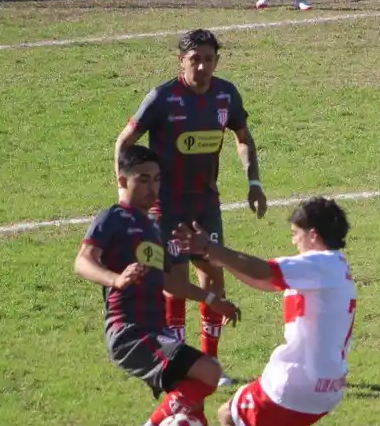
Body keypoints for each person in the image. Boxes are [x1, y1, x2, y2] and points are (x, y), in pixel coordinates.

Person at [172, 198, 356, 426]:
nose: (294, 240)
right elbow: (265, 281)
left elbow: (263, 270)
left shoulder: (318, 263)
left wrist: (213, 250)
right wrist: (219, 258)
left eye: (296, 233)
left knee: (229, 416)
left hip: (301, 385)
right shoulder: (332, 266)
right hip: (326, 384)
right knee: (250, 420)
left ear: (313, 235)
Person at [74, 145, 242, 426]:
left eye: (157, 180)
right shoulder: (113, 218)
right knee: (209, 372)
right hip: (130, 332)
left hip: (154, 329)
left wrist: (212, 299)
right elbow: (82, 261)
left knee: (190, 387)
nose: (152, 188)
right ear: (122, 180)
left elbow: (169, 282)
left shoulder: (151, 228)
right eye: (143, 180)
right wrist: (115, 279)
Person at [114, 29, 267, 392]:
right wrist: (124, 191)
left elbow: (243, 138)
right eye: (194, 59)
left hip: (205, 204)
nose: (201, 66)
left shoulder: (226, 95)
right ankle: (180, 362)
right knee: (177, 284)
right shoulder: (162, 98)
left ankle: (210, 361)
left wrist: (254, 181)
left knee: (214, 278)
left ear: (217, 61)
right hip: (166, 207)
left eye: (208, 59)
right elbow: (125, 141)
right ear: (180, 62)